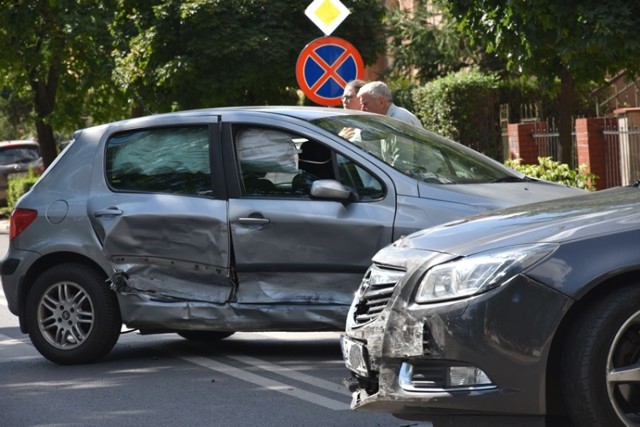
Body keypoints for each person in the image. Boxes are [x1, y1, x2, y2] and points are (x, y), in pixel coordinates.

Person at [357, 81, 423, 127]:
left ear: (381, 102)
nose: (362, 109)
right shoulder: (389, 119)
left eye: (365, 104)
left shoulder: (398, 120)